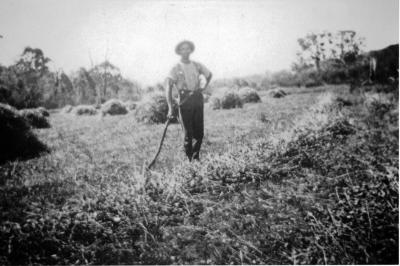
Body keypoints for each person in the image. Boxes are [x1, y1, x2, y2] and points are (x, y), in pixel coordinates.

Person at [165, 40, 212, 161]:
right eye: (182, 49)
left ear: (191, 50)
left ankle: (196, 158)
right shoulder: (175, 68)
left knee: (199, 133)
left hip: (197, 99)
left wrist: (203, 87)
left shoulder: (197, 65)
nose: (185, 51)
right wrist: (170, 107)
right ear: (179, 52)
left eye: (187, 48)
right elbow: (168, 87)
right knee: (188, 133)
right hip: (184, 101)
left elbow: (209, 74)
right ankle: (189, 159)